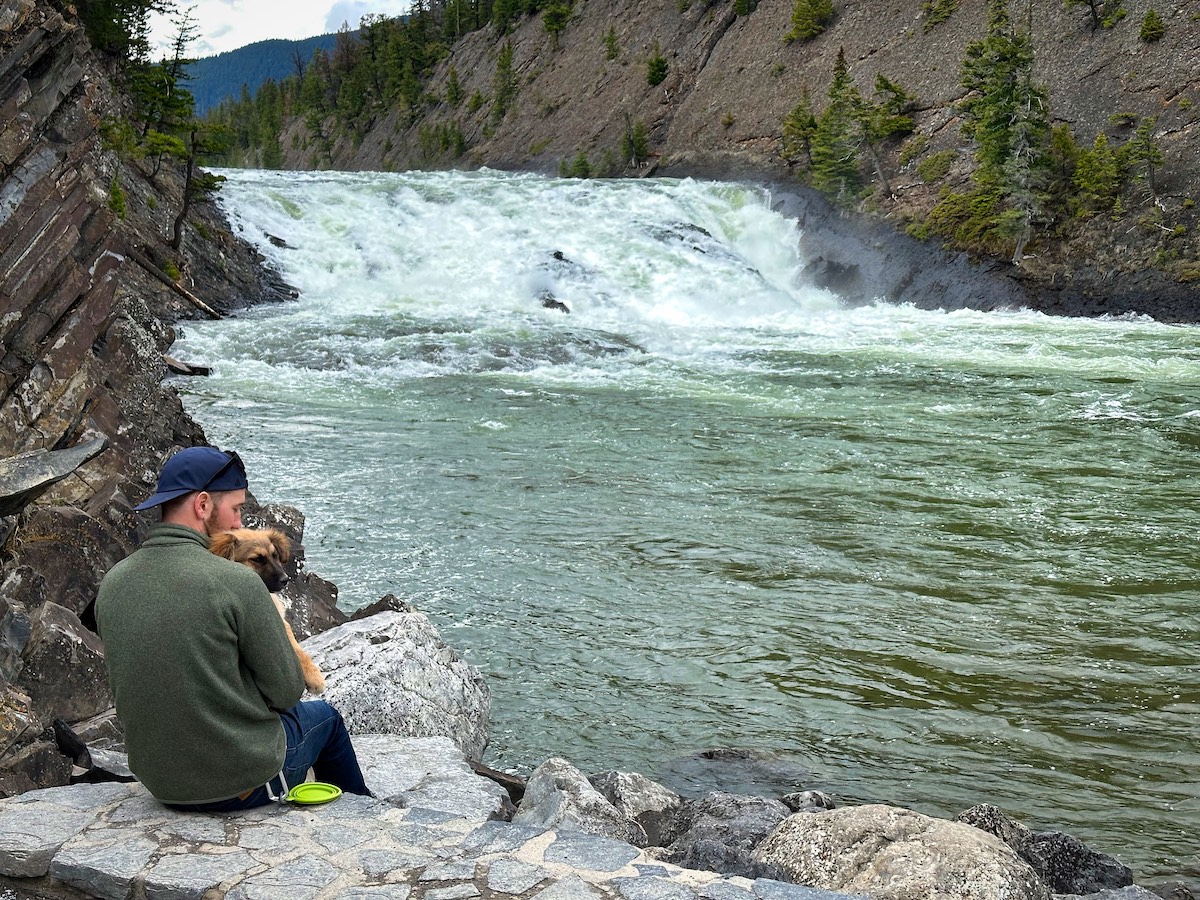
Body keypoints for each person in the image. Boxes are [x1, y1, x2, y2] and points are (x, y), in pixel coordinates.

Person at [96, 445, 369, 810]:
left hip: (160, 784)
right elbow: (288, 691)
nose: (240, 523)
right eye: (237, 509)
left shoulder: (113, 583)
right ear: (203, 505)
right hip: (239, 785)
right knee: (326, 719)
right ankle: (362, 815)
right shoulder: (236, 582)